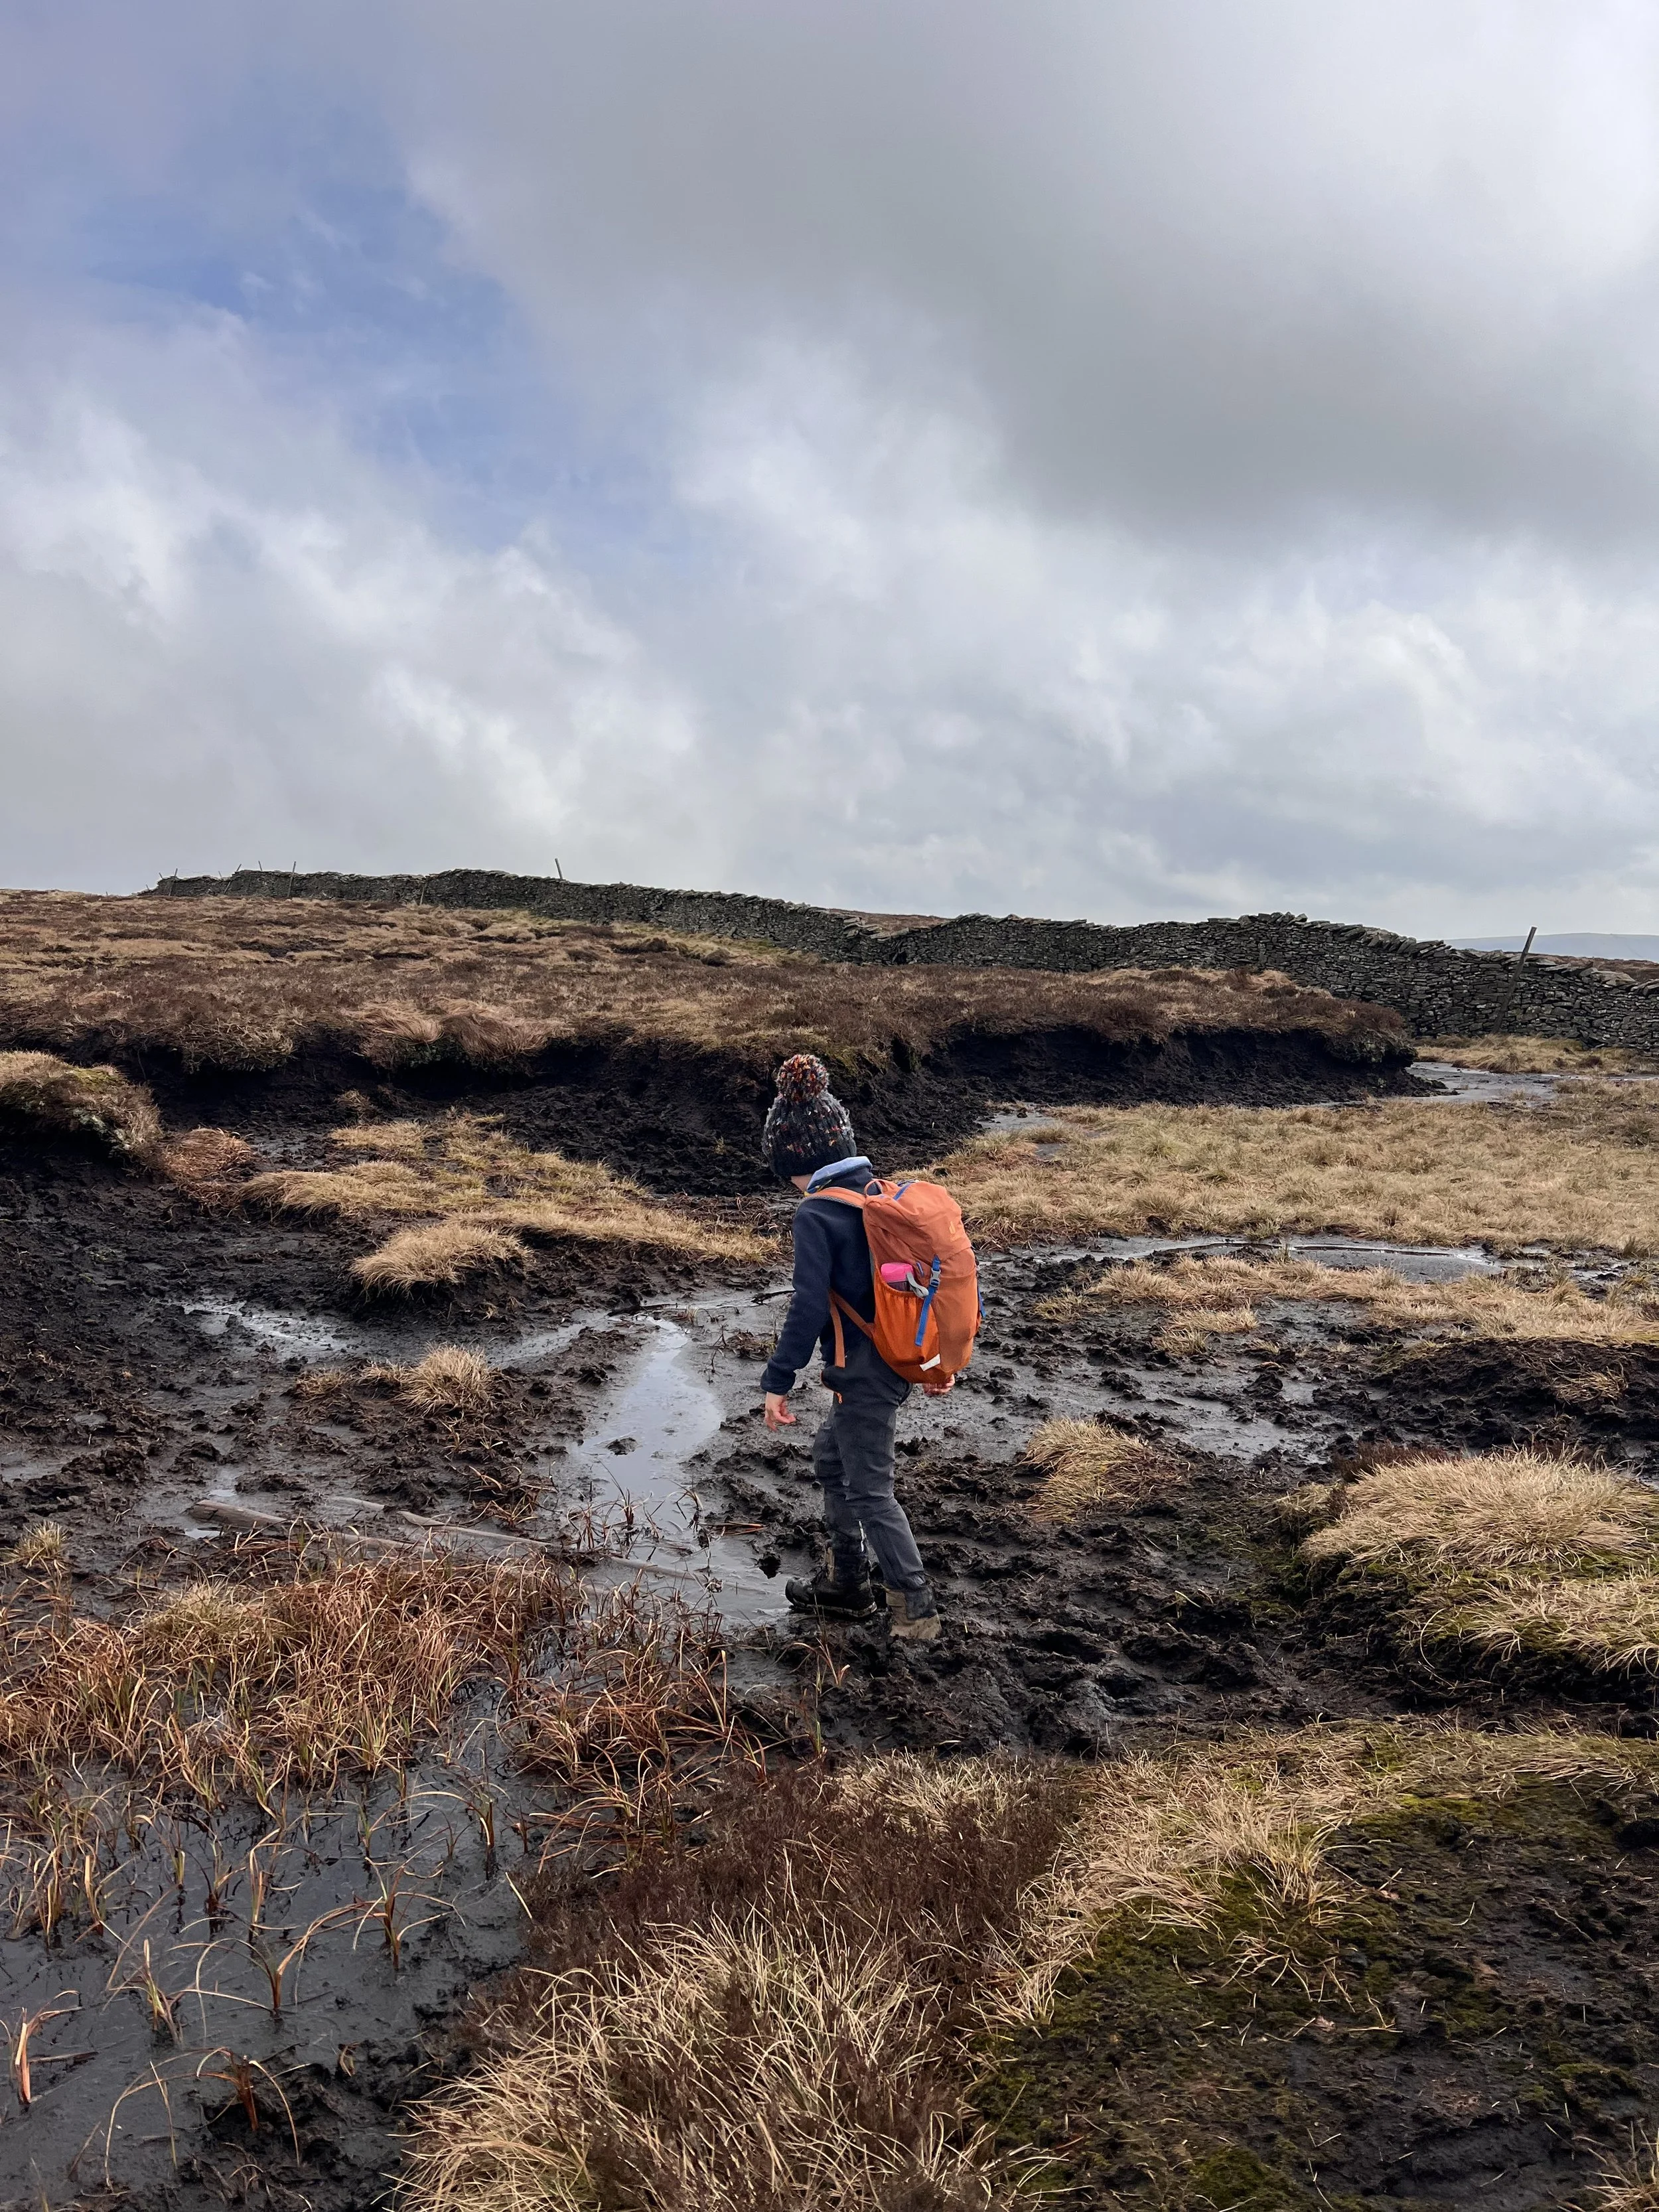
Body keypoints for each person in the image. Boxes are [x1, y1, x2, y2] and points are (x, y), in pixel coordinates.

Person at [758, 1053, 946, 1642]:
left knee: (869, 1488)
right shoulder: (878, 1194)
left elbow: (809, 1305)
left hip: (862, 1372)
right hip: (892, 1361)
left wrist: (777, 1380)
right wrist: (937, 1361)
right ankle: (846, 1582)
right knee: (832, 1461)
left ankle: (916, 1611)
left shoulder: (816, 1211)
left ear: (796, 1161)